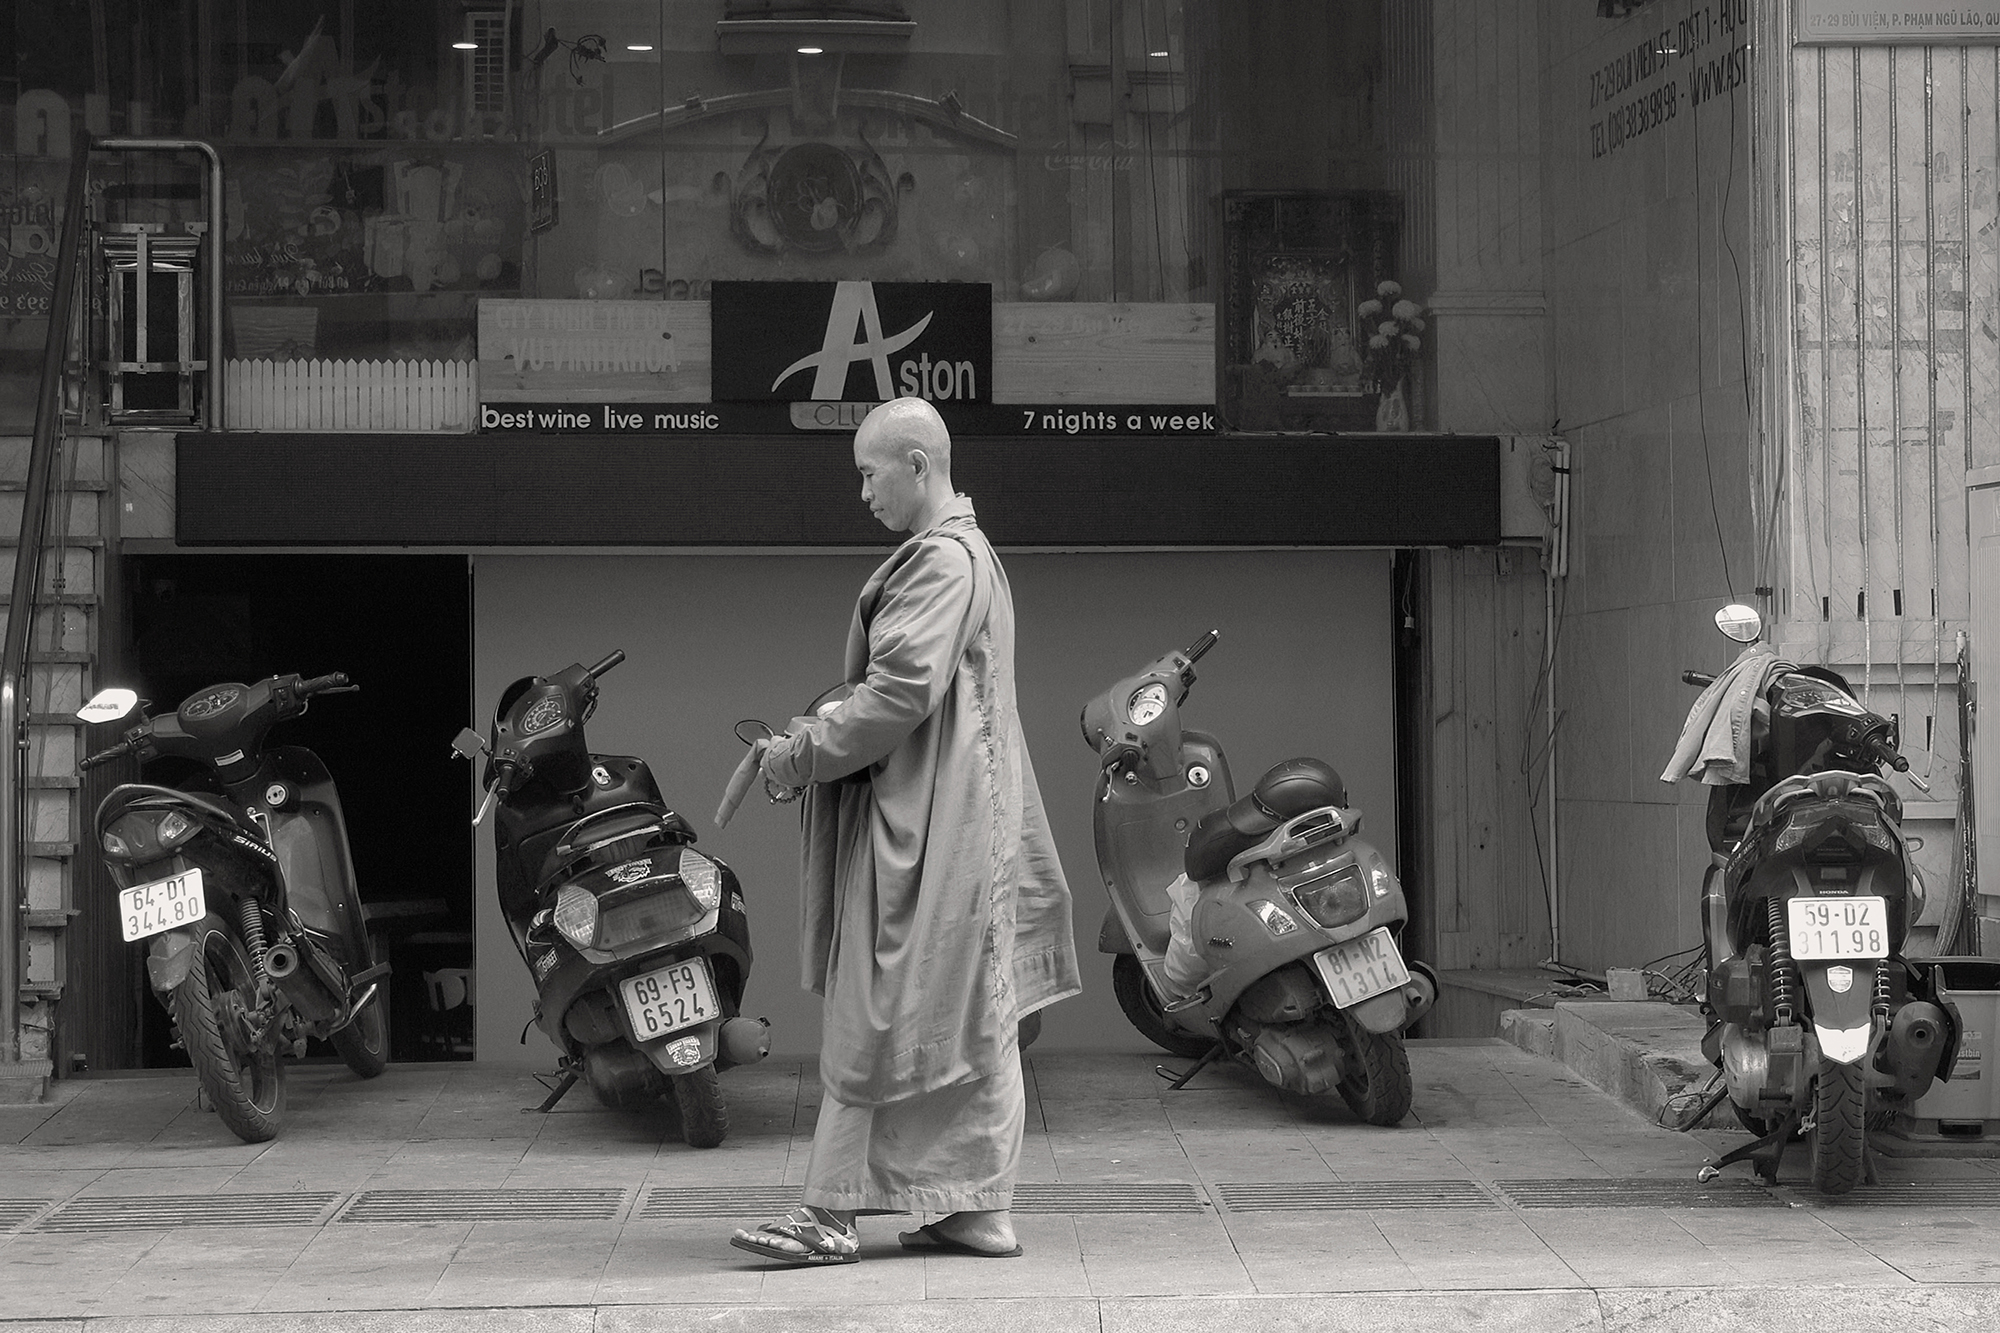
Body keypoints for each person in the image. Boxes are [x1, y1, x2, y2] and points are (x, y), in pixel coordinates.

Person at [728, 396, 1080, 1267]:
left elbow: (894, 697)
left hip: (930, 826)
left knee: (882, 1006)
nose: (863, 493)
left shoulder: (942, 563)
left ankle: (833, 1211)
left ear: (917, 464)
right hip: (962, 820)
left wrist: (798, 755)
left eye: (868, 472)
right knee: (968, 1011)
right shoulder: (973, 556)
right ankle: (971, 1208)